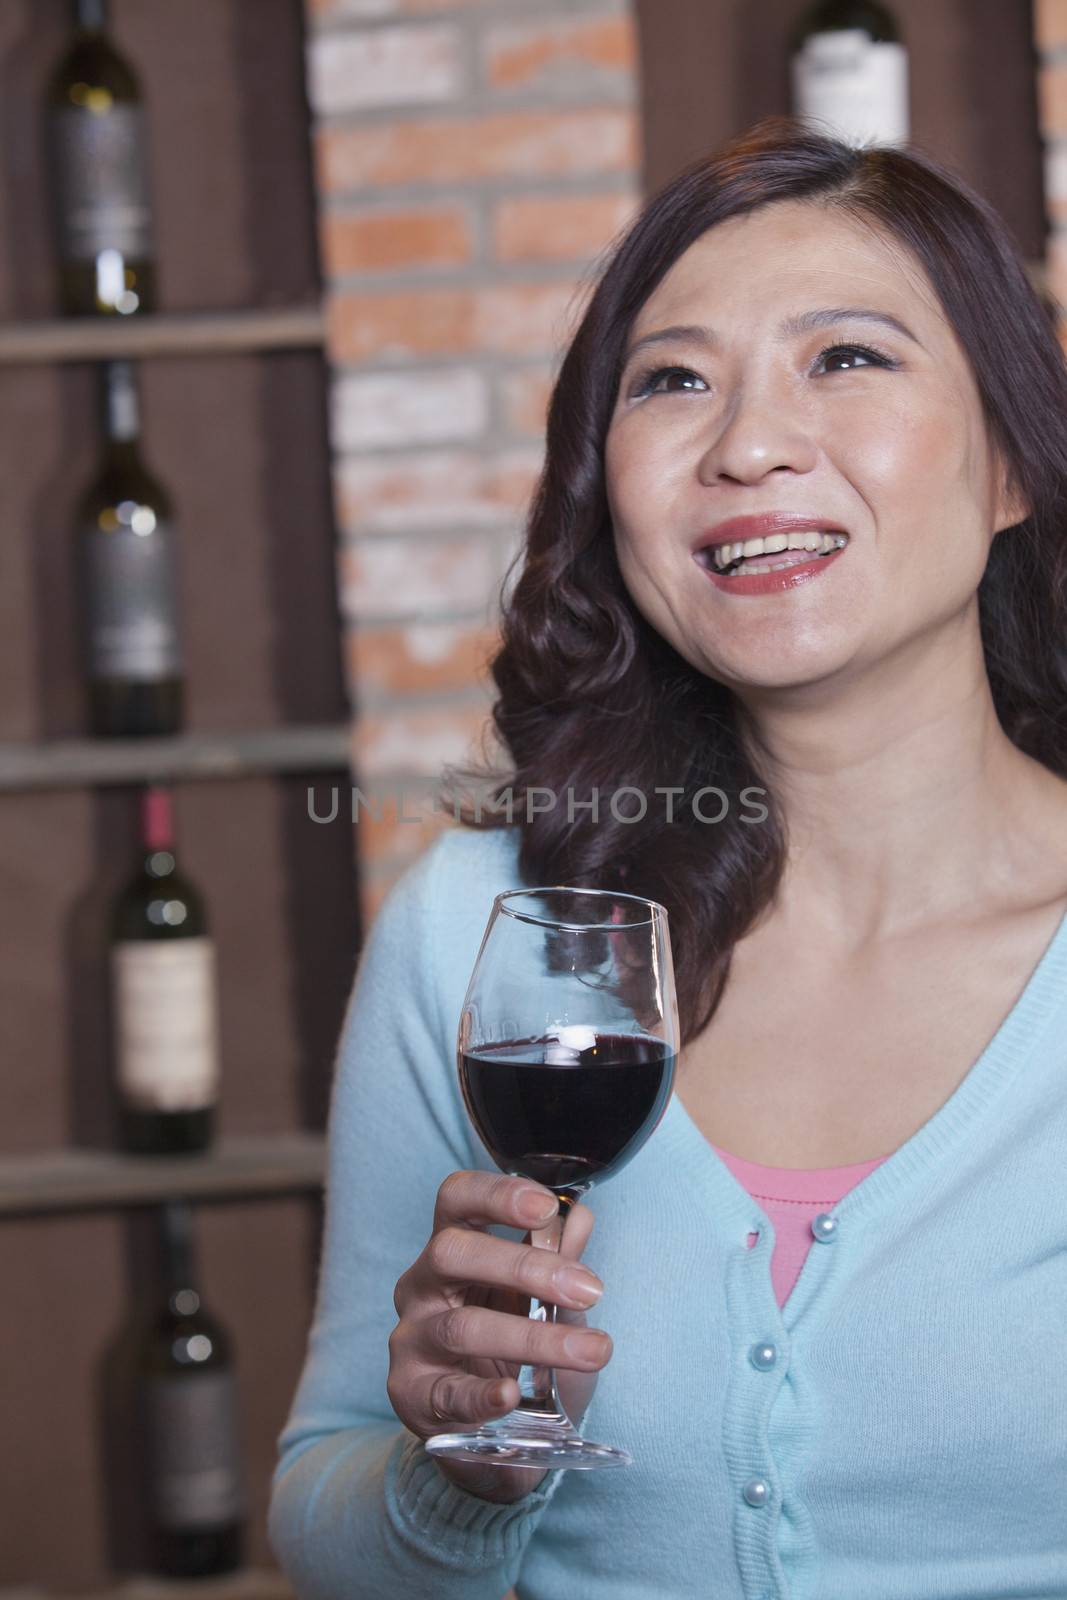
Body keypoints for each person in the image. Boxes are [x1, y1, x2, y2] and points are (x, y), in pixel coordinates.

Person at [267, 116, 1067, 1598]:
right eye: (674, 381)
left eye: (848, 357)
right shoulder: (482, 929)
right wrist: (458, 1474)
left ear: (1014, 459)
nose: (749, 443)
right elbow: (322, 1511)